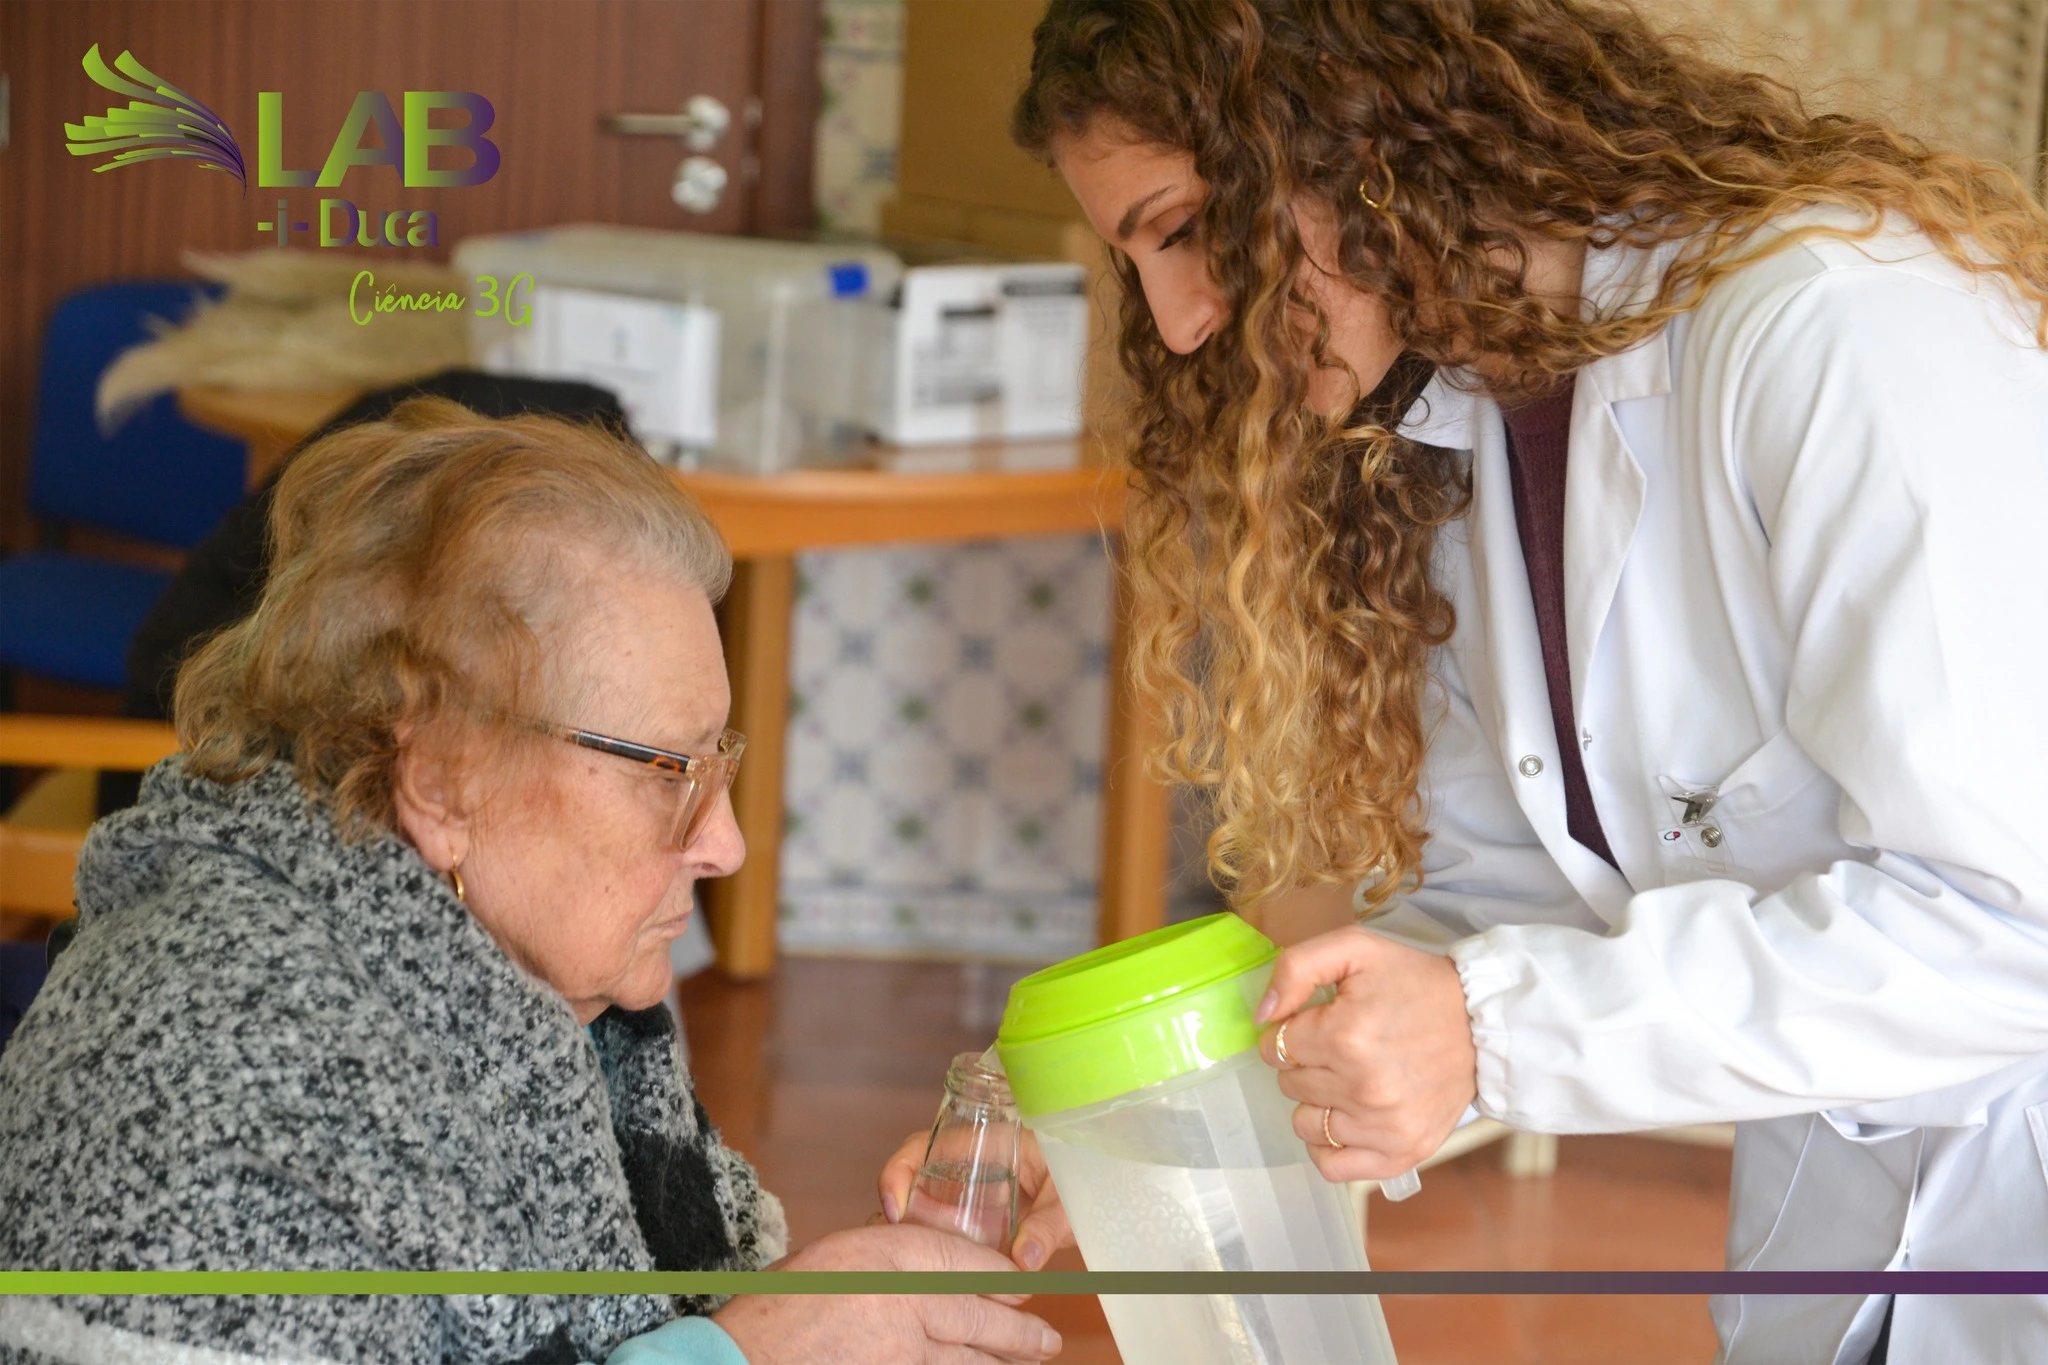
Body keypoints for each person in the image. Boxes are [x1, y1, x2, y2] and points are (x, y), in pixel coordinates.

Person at [884, 0, 2048, 1359]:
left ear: (1348, 123)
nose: (1181, 321)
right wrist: (1136, 1111)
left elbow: (2012, 923)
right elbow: (1487, 913)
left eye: (1187, 228)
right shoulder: (1473, 421)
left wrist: (1487, 1035)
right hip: (1861, 1222)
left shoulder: (1843, 329)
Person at [0, 398, 1062, 1365]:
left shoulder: (532, 1001)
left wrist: (835, 1320)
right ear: (444, 778)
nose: (724, 844)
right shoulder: (219, 1053)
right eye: (667, 774)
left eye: (718, 768)